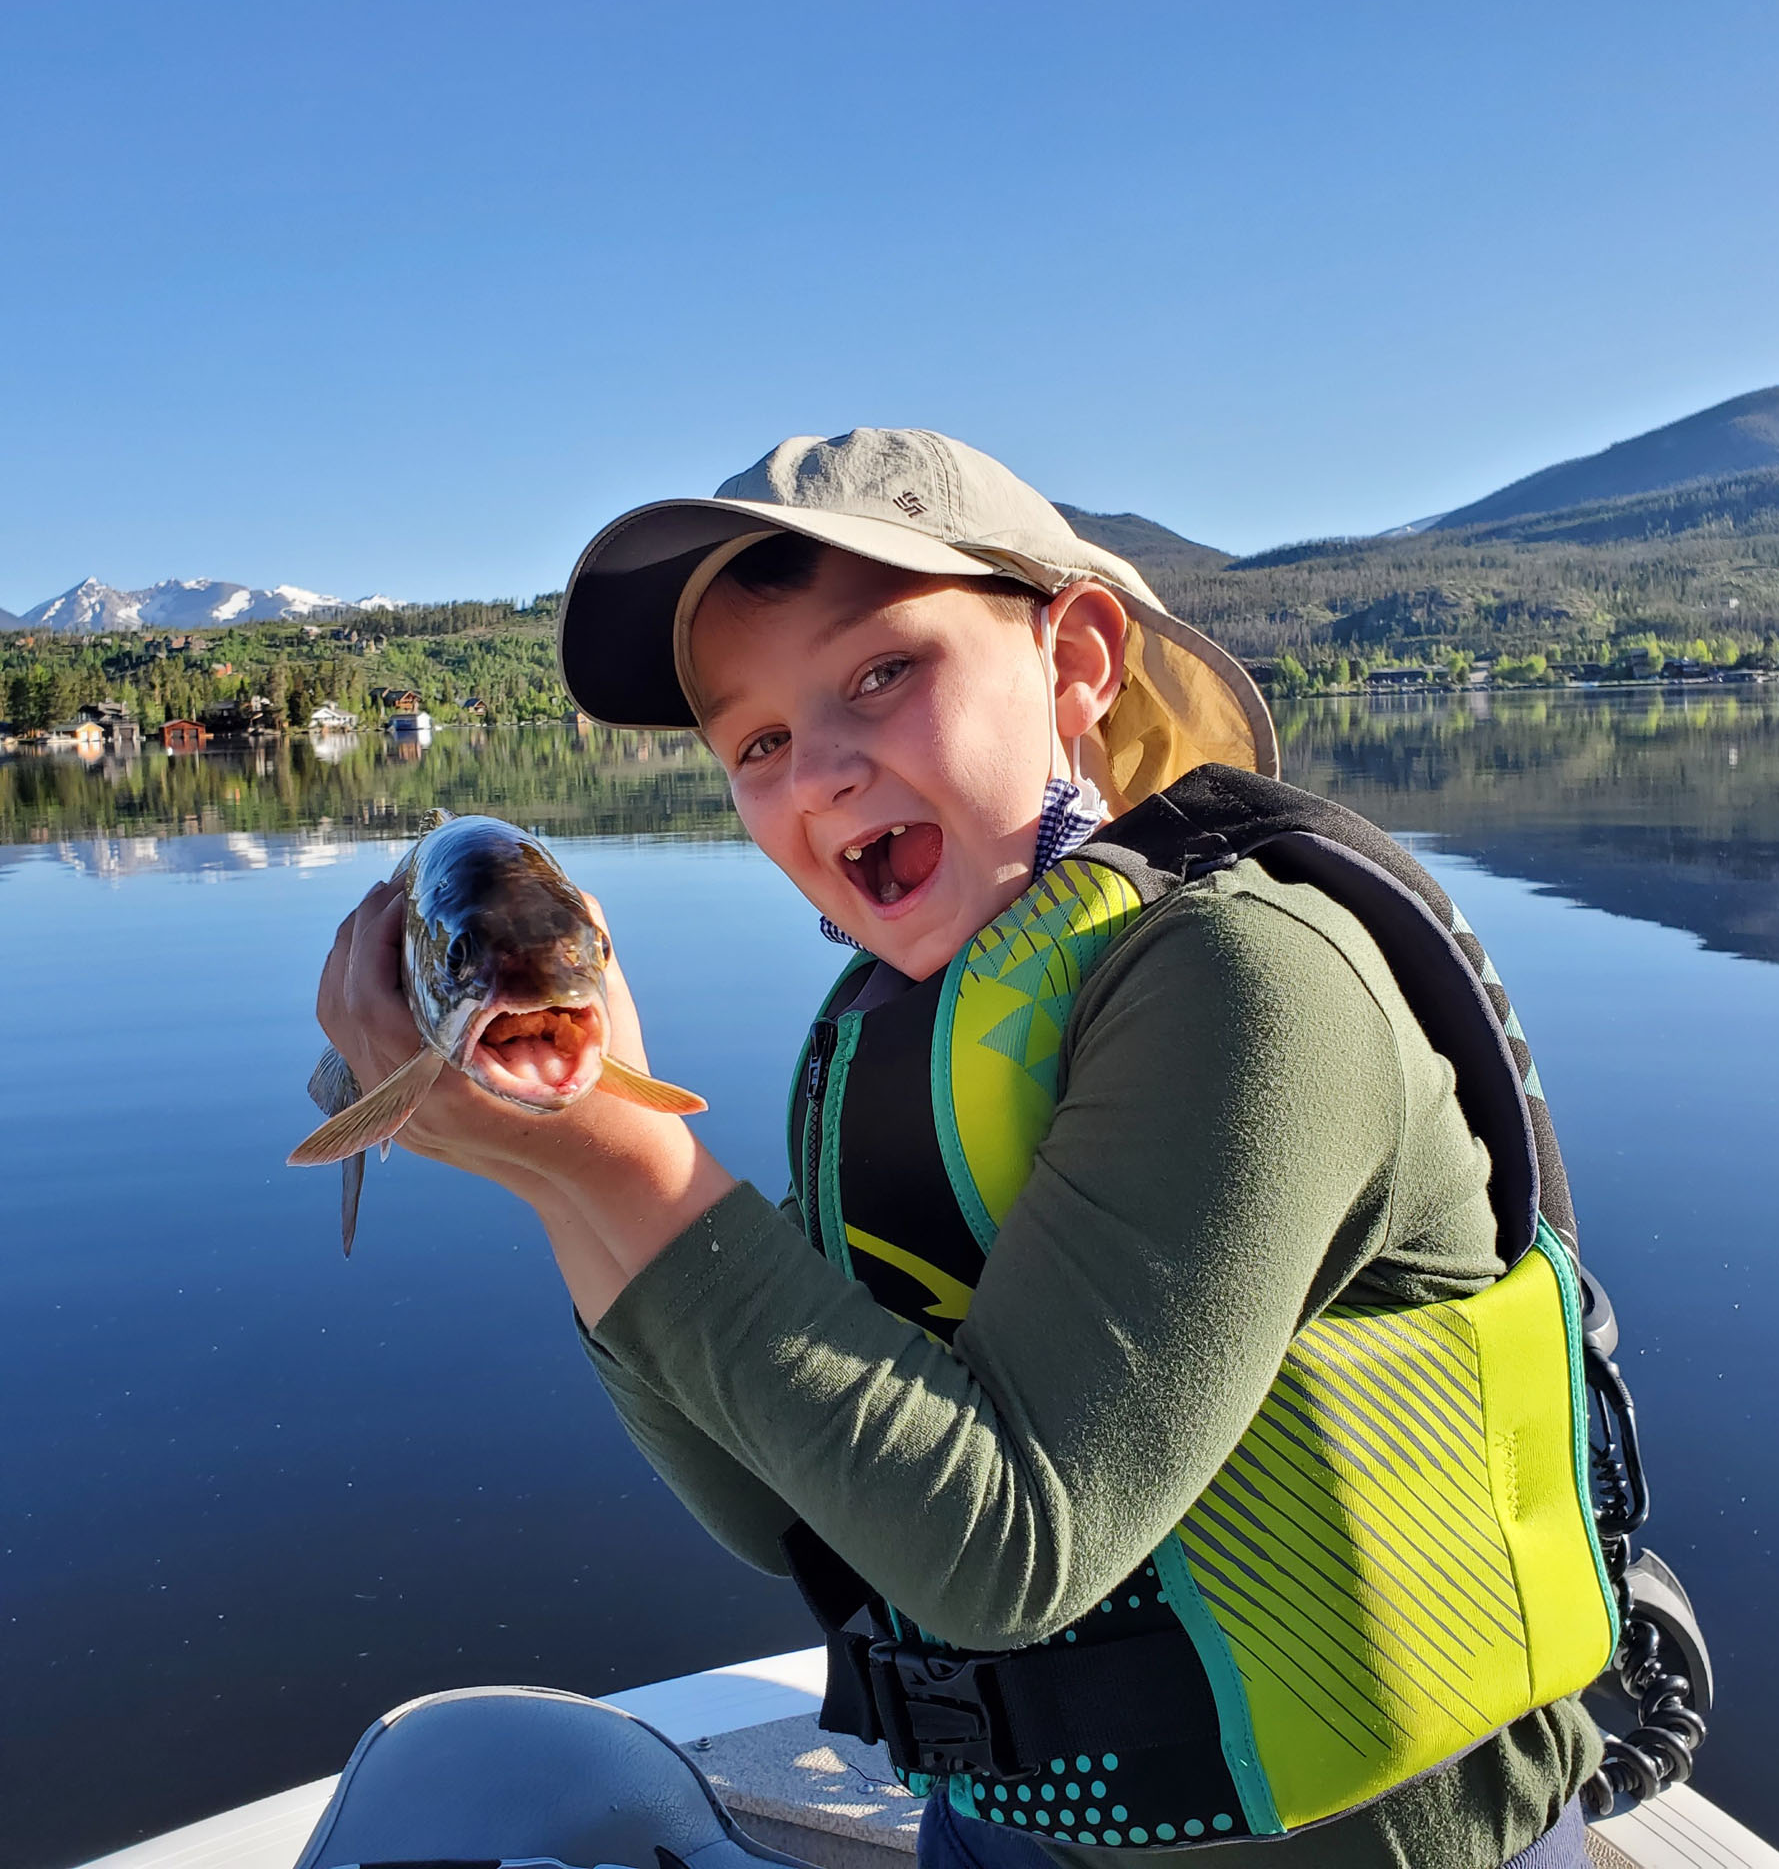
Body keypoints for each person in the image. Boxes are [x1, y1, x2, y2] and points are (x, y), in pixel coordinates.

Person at [316, 429, 1613, 1869]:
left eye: (882, 674)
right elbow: (785, 1511)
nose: (817, 773)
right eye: (754, 743)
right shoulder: (895, 1040)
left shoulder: (1249, 983)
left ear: (1079, 662)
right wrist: (556, 1156)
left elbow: (1014, 1556)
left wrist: (617, 1159)